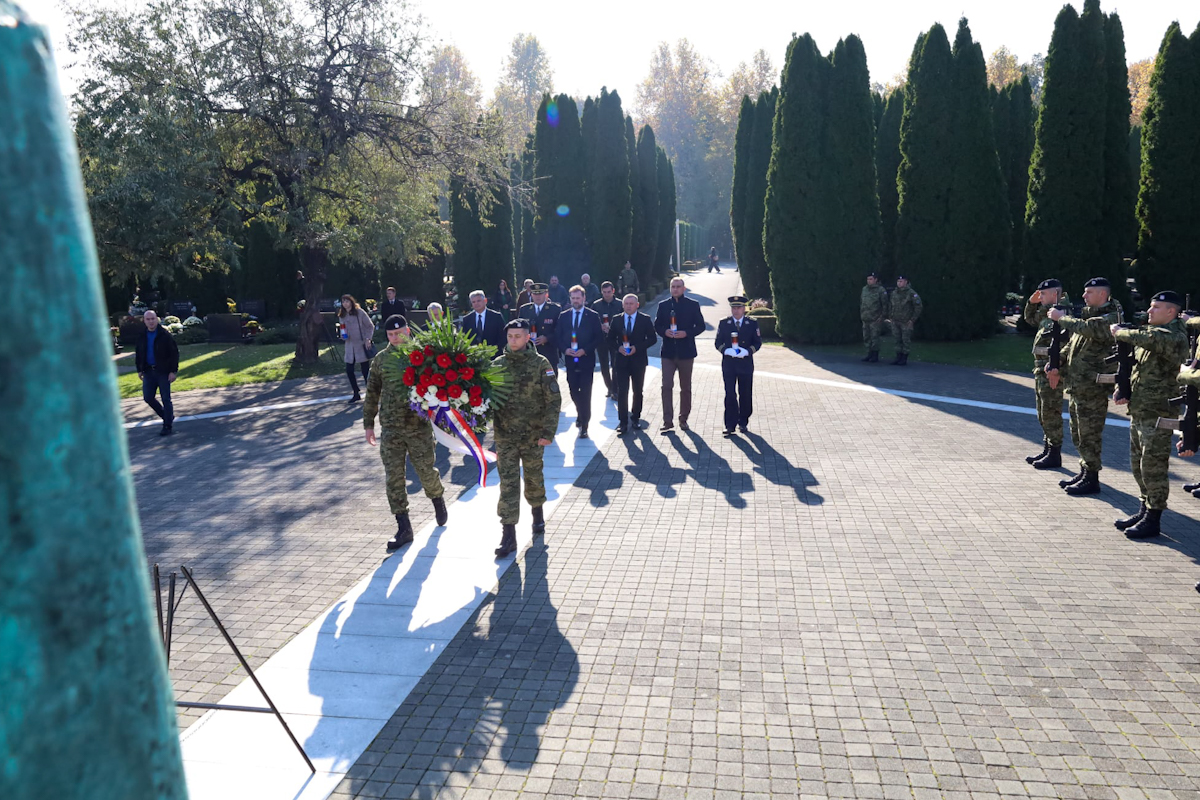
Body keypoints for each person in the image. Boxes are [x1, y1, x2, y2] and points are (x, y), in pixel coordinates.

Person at [364, 315, 448, 551]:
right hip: (391, 428)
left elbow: (438, 386)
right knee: (393, 476)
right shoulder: (381, 360)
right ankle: (403, 527)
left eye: (398, 333)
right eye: (390, 335)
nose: (395, 339)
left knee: (425, 470)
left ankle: (437, 498)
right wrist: (368, 424)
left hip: (417, 426)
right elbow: (372, 392)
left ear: (408, 331)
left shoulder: (421, 356)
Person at [1110, 291, 1188, 538]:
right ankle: (1144, 508)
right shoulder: (1151, 334)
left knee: (1153, 467)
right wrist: (1122, 388)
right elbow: (1137, 368)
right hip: (1142, 409)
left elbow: (1148, 338)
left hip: (1159, 412)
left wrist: (1119, 331)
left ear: (1171, 312)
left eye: (1156, 308)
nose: (1150, 311)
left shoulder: (1173, 336)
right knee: (1138, 465)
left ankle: (1154, 518)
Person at [491, 319, 561, 558]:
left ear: (528, 337)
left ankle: (537, 516)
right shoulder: (497, 365)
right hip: (506, 437)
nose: (513, 341)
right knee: (508, 484)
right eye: (510, 337)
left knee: (533, 478)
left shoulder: (541, 364)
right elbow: (488, 399)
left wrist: (548, 433)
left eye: (518, 336)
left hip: (533, 436)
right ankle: (508, 534)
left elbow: (553, 400)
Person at [1047, 277, 1122, 495]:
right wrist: (1058, 360)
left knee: (1089, 434)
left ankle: (1092, 478)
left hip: (1093, 388)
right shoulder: (1090, 316)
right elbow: (1074, 342)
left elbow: (1090, 330)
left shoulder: (1111, 318)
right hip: (1078, 385)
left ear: (1102, 295)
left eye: (1088, 292)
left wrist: (1062, 318)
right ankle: (1084, 471)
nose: (1083, 296)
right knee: (1078, 433)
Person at [1023, 279, 1068, 468]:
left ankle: (1054, 453)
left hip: (1052, 370)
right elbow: (1030, 319)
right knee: (1043, 412)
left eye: (1043, 294)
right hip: (1041, 368)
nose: (1040, 297)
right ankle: (1047, 448)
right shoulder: (1048, 310)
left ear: (1055, 293)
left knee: (1051, 411)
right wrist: (1032, 303)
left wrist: (1057, 368)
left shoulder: (1064, 313)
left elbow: (1066, 343)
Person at [654, 277, 705, 433]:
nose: (675, 289)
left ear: (683, 288)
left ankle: (683, 419)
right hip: (668, 352)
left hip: (686, 352)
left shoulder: (692, 305)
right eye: (673, 286)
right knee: (666, 386)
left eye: (678, 286)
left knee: (685, 387)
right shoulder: (663, 306)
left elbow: (701, 326)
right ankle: (667, 421)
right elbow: (657, 325)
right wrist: (664, 332)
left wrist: (686, 333)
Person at [556, 286, 603, 439]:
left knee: (586, 392)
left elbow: (598, 338)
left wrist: (585, 350)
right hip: (570, 360)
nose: (575, 301)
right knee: (573, 390)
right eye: (573, 298)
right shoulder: (564, 316)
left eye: (578, 298)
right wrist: (565, 349)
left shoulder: (592, 315)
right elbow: (559, 336)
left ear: (583, 298)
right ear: (570, 299)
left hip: (586, 360)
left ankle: (584, 424)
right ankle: (580, 412)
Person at [607, 293, 657, 435]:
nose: (628, 306)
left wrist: (637, 347)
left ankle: (635, 418)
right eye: (626, 304)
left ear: (637, 305)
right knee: (622, 392)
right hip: (621, 362)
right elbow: (609, 339)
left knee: (638, 391)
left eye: (631, 303)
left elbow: (652, 338)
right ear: (622, 305)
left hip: (638, 361)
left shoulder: (645, 319)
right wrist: (618, 348)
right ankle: (622, 422)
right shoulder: (616, 320)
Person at [714, 295, 762, 436]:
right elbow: (718, 342)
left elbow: (757, 342)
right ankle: (730, 424)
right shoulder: (724, 323)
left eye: (739, 307)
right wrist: (726, 350)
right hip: (729, 364)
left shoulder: (752, 323)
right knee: (730, 394)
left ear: (744, 308)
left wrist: (747, 351)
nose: (736, 311)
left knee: (745, 393)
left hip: (745, 364)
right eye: (734, 308)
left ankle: (743, 421)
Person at [135, 309, 180, 436]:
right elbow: (139, 353)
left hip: (163, 371)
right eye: (148, 319)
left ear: (157, 319)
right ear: (144, 321)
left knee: (166, 398)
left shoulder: (164, 335)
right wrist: (139, 369)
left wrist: (173, 371)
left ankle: (167, 426)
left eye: (153, 319)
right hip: (149, 371)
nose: (150, 321)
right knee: (148, 397)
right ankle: (167, 416)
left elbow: (174, 354)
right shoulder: (141, 336)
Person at [519, 283, 562, 379]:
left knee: (550, 383)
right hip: (530, 354)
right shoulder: (525, 309)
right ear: (531, 295)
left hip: (549, 353)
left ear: (546, 294)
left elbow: (560, 331)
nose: (537, 296)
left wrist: (547, 338)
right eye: (535, 294)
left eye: (540, 294)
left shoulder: (555, 309)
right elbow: (520, 330)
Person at [338, 294, 376, 403]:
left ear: (351, 302)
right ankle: (356, 392)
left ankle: (370, 393)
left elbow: (370, 326)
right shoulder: (342, 315)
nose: (345, 304)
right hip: (349, 345)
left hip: (361, 344)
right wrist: (342, 335)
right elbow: (342, 330)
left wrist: (368, 339)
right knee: (349, 370)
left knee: (365, 371)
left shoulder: (360, 312)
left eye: (347, 301)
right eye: (343, 301)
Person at [592, 281, 623, 400]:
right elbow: (591, 320)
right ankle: (609, 387)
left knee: (615, 364)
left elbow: (624, 319)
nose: (607, 294)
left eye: (609, 292)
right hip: (601, 339)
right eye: (604, 292)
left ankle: (615, 389)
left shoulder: (620, 304)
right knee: (604, 365)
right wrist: (599, 326)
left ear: (613, 291)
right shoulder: (596, 305)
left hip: (615, 339)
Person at [888, 275, 922, 365]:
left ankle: (904, 358)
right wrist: (890, 316)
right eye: (898, 281)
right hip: (895, 320)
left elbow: (918, 307)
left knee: (905, 340)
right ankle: (898, 357)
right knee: (897, 339)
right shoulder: (894, 293)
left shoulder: (911, 293)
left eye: (901, 281)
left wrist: (912, 319)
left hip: (906, 321)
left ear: (906, 282)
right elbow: (891, 305)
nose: (899, 283)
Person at [459, 289, 506, 354]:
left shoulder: (496, 316)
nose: (476, 304)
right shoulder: (467, 319)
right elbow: (464, 338)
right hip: (474, 357)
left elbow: (503, 337)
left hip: (494, 355)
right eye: (473, 302)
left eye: (478, 301)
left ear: (485, 301)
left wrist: (494, 350)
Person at [860, 273, 887, 362]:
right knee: (866, 337)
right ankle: (869, 354)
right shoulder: (864, 289)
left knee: (875, 337)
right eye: (868, 279)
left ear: (875, 280)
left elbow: (885, 304)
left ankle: (875, 355)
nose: (869, 281)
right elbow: (862, 302)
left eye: (871, 279)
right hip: (866, 317)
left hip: (875, 318)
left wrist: (882, 316)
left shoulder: (880, 290)